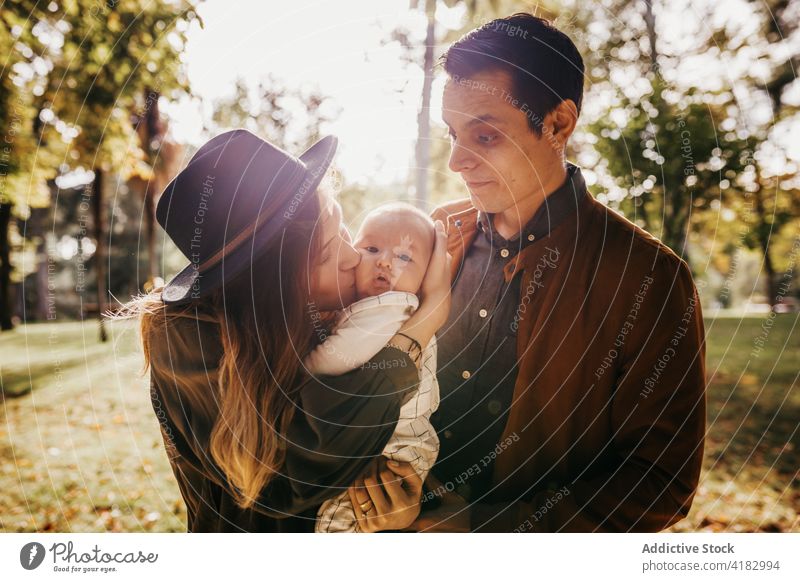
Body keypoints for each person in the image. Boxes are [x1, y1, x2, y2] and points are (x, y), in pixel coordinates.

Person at [411, 13, 706, 532]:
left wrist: (486, 530)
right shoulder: (434, 234)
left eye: (484, 136)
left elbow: (661, 480)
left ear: (558, 124)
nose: (456, 161)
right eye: (453, 133)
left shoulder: (648, 278)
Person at [123, 129, 450, 532]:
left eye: (345, 231)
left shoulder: (327, 316)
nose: (354, 258)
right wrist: (416, 333)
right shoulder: (185, 343)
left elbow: (373, 446)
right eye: (330, 252)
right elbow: (288, 475)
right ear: (274, 289)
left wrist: (394, 500)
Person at [309, 203, 440, 532]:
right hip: (396, 442)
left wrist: (302, 365)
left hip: (393, 449)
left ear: (426, 278)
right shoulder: (369, 307)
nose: (385, 261)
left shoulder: (391, 308)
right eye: (371, 248)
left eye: (405, 257)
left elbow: (336, 358)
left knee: (345, 514)